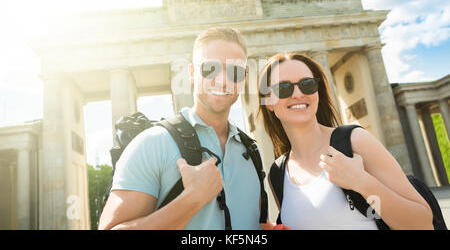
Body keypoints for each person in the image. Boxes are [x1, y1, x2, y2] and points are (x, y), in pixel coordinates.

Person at [99, 27, 263, 230]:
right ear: (192, 73)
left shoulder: (252, 152)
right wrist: (192, 200)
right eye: (210, 68)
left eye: (234, 71)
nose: (222, 80)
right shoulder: (153, 143)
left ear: (244, 78)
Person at [258, 52, 433, 230]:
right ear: (269, 102)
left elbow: (423, 224)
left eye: (307, 84)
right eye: (283, 88)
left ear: (317, 93)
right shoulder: (278, 173)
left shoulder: (355, 141)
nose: (297, 94)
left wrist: (362, 182)